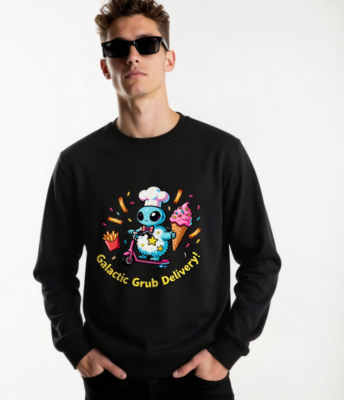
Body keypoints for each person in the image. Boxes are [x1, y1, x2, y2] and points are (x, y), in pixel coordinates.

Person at [33, 1, 282, 399]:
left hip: (201, 379)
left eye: (147, 44)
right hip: (111, 382)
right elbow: (54, 269)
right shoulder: (78, 163)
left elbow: (260, 260)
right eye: (118, 48)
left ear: (169, 59)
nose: (133, 56)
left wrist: (228, 350)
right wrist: (76, 348)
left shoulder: (220, 153)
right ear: (105, 66)